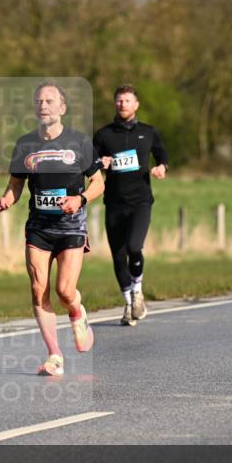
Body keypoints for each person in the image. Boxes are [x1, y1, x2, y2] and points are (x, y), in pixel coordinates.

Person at [0, 82, 104, 376]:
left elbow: (99, 183)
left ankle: (77, 311)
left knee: (65, 290)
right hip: (39, 227)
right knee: (38, 288)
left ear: (62, 108)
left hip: (70, 227)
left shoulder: (80, 142)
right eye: (39, 101)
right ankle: (54, 354)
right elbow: (15, 185)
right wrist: (6, 200)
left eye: (50, 101)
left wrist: (79, 199)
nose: (43, 105)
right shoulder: (24, 145)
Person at [93, 85, 169, 326]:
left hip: (140, 201)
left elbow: (162, 155)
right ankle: (129, 304)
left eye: (127, 100)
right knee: (118, 255)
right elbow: (90, 164)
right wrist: (99, 163)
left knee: (134, 247)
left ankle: (137, 290)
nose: (122, 104)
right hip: (114, 202)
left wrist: (161, 167)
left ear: (136, 105)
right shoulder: (104, 135)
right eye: (119, 101)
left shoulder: (148, 132)